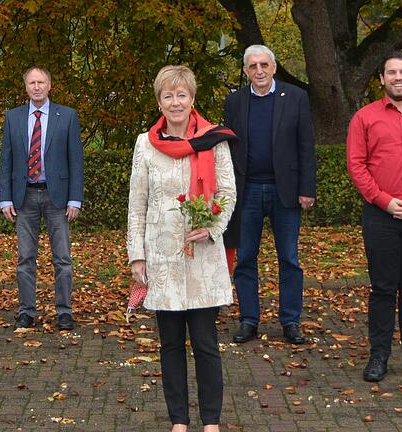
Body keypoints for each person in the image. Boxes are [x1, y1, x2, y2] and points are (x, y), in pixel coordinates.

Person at [127, 65, 237, 432]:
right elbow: (136, 203)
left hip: (203, 257)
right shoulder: (145, 143)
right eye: (168, 96)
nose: (176, 102)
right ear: (159, 101)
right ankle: (178, 420)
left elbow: (227, 193)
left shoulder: (214, 139)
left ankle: (211, 422)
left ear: (192, 99)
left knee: (206, 344)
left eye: (182, 95)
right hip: (161, 258)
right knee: (170, 344)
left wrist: (212, 226)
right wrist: (136, 256)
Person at [347, 51, 402, 382]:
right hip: (380, 216)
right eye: (391, 73)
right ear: (382, 79)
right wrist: (385, 202)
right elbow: (357, 165)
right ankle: (379, 355)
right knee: (383, 288)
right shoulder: (364, 118)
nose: (397, 77)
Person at [223, 45, 317, 345]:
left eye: (264, 64)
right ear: (246, 70)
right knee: (246, 258)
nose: (259, 71)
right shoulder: (235, 101)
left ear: (274, 67)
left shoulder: (296, 98)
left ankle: (291, 322)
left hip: (285, 191)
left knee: (289, 258)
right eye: (253, 66)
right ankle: (249, 320)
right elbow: (227, 149)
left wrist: (307, 188)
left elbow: (306, 145)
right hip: (246, 190)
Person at [0, 66, 84, 331]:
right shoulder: (13, 117)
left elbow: (75, 161)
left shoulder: (67, 116)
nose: (36, 87)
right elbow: (6, 160)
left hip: (57, 197)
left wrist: (75, 199)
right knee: (25, 258)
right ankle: (26, 312)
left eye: (41, 82)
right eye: (32, 83)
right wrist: (5, 198)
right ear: (26, 87)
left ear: (49, 85)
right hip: (24, 197)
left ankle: (64, 313)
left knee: (63, 258)